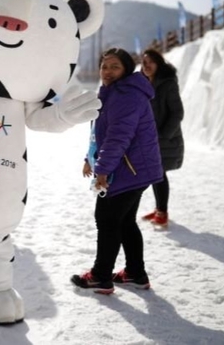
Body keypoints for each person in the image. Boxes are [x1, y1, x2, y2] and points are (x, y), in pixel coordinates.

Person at [73, 48, 163, 294]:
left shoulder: (126, 95)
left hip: (128, 169)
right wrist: (89, 158)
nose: (108, 71)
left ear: (126, 70)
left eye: (115, 66)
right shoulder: (113, 93)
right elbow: (100, 133)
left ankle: (101, 276)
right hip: (132, 168)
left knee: (107, 220)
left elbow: (117, 138)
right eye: (104, 66)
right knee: (124, 222)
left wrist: (102, 170)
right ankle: (135, 273)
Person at [139, 48, 184, 228]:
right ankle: (160, 208)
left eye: (150, 62)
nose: (147, 66)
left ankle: (162, 212)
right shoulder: (144, 84)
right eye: (144, 63)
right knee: (155, 174)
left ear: (159, 64)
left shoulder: (167, 84)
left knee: (158, 174)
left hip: (164, 138)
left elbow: (177, 112)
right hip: (149, 138)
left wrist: (163, 135)